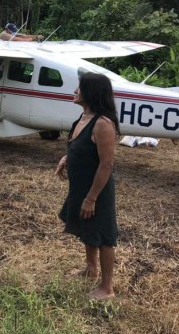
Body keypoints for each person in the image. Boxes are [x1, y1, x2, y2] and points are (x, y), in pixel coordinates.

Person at [54, 72, 120, 300]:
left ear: (90, 93)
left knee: (103, 235)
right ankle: (91, 269)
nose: (75, 91)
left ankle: (107, 288)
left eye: (79, 88)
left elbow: (106, 164)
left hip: (97, 191)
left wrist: (91, 198)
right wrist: (67, 158)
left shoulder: (103, 124)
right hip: (81, 186)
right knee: (87, 227)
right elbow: (80, 147)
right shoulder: (83, 118)